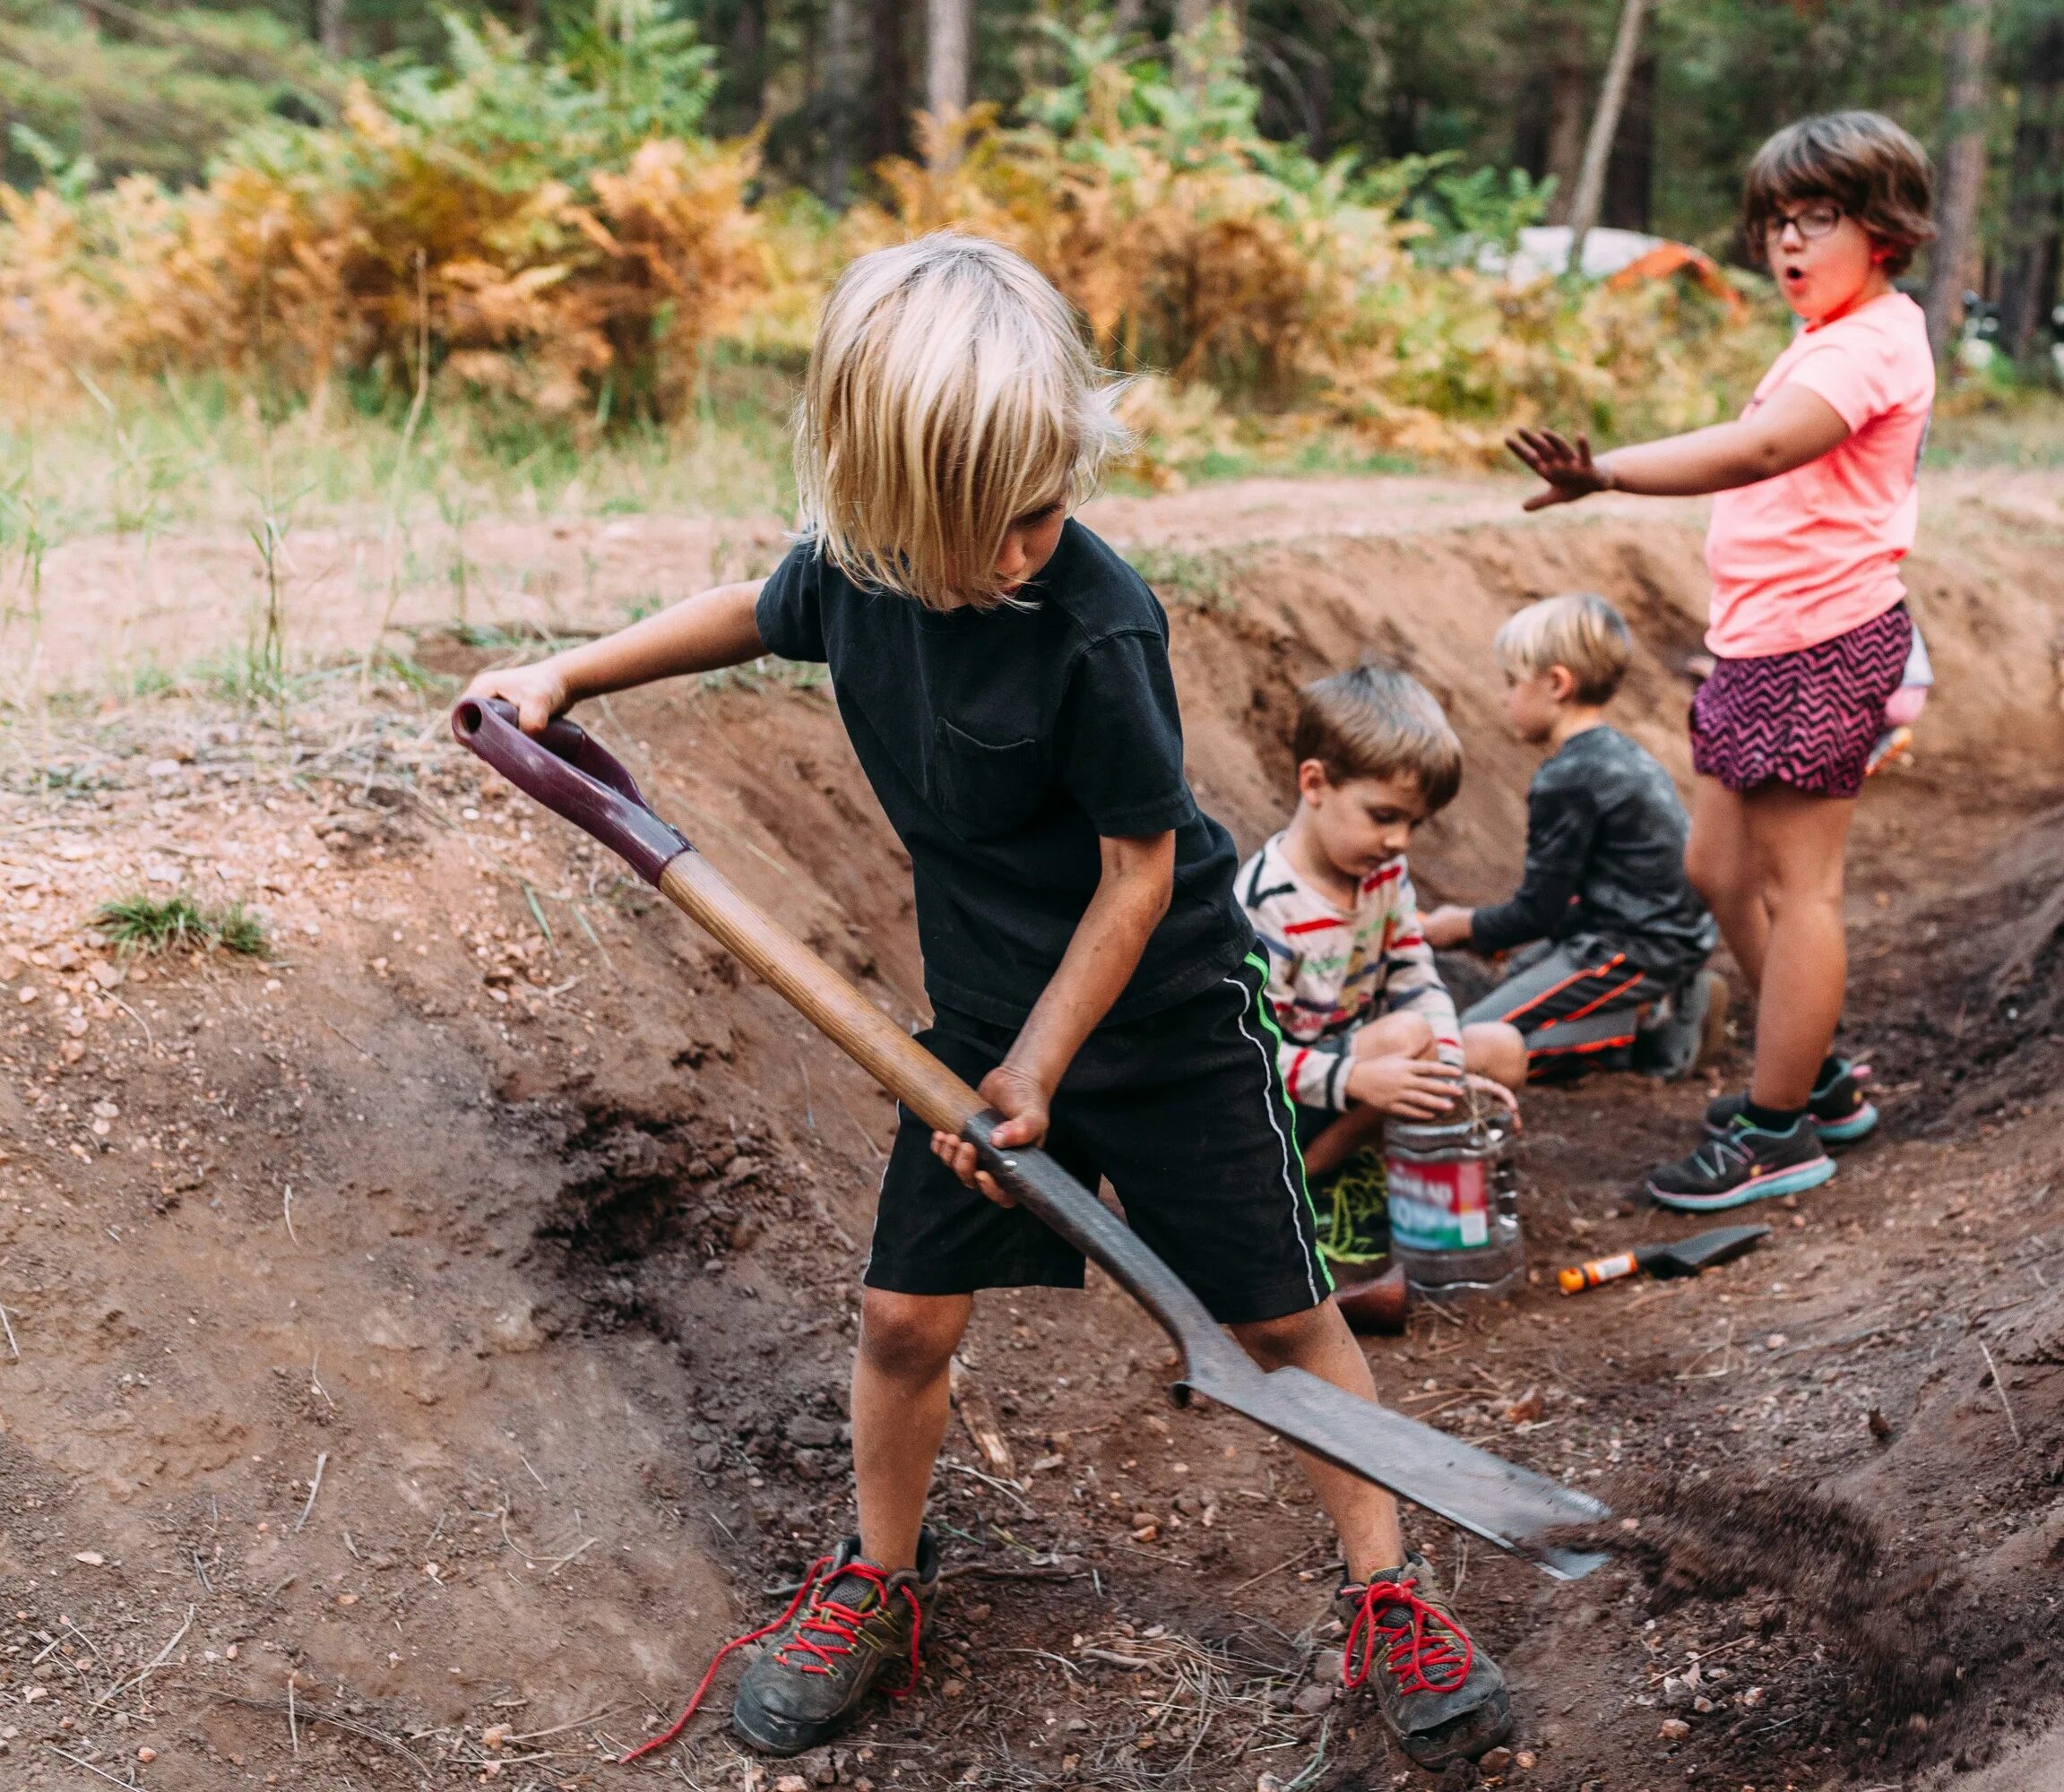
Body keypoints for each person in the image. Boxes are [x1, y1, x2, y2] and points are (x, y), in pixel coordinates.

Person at [457, 234, 1513, 1771]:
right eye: (994, 521)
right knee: (900, 1320)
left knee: (1283, 1321)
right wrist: (572, 676)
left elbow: (1140, 875)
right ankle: (879, 1581)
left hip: (1159, 1025)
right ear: (886, 501)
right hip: (978, 1022)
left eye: (1045, 504)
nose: (1028, 542)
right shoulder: (860, 577)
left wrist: (1037, 1072)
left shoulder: (1097, 622)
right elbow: (753, 608)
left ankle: (1389, 1594)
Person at [1507, 110, 1932, 1211]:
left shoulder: (1877, 339)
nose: (1790, 244)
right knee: (1717, 870)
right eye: (1778, 222)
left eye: (1819, 219)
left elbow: (1764, 447)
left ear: (1882, 228)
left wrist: (1609, 474)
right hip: (1758, 646)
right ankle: (1819, 1072)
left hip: (1821, 644)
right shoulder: (1824, 334)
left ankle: (1780, 1127)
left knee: (1802, 893)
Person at [1237, 667, 1525, 1209]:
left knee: (1500, 1051)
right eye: (1384, 816)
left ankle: (1396, 1159)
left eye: (1413, 824)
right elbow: (1250, 1054)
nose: (1398, 841)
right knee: (1404, 1037)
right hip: (1284, 1104)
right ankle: (1298, 1188)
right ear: (1315, 783)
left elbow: (1414, 973)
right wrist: (1356, 1077)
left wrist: (1446, 1064)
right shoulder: (1265, 903)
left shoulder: (1384, 875)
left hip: (1365, 1069)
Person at [1418, 592, 1722, 1081]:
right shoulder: (1621, 753)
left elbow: (1541, 911)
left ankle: (1651, 1027)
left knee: (1472, 1043)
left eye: (1512, 682)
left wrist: (1468, 926)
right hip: (1665, 931)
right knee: (1519, 978)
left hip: (1636, 946)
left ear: (1557, 684)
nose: (1503, 697)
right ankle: (1669, 998)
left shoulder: (1567, 780)